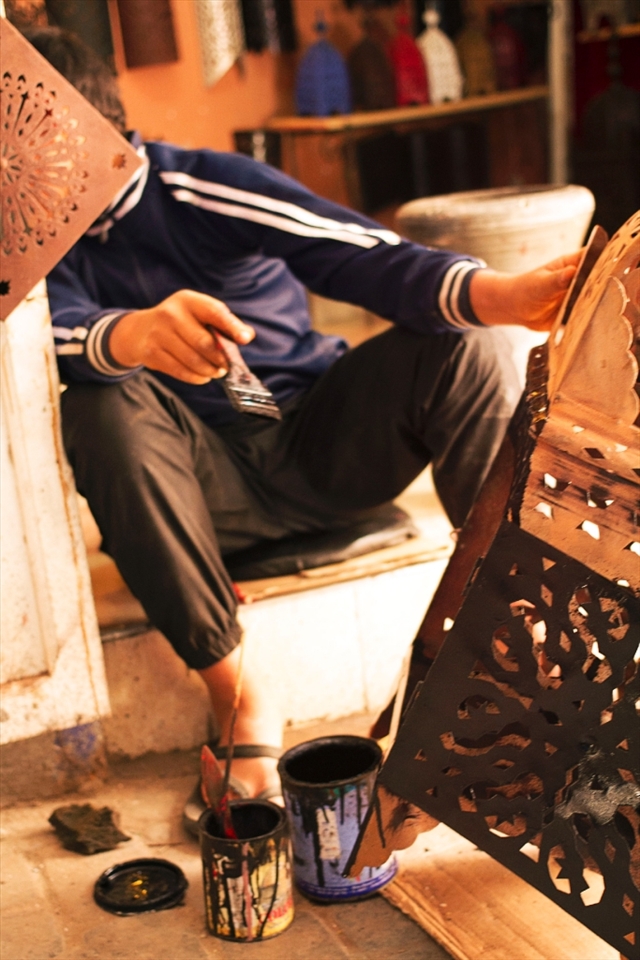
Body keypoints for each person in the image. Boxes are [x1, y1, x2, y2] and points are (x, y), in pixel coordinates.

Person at [27, 27, 579, 826]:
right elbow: (38, 338)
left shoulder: (199, 186)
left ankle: (515, 657)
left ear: (88, 124)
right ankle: (243, 700)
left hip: (321, 448)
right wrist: (129, 336)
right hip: (198, 499)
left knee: (475, 346)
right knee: (99, 399)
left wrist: (504, 296)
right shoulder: (31, 250)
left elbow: (362, 256)